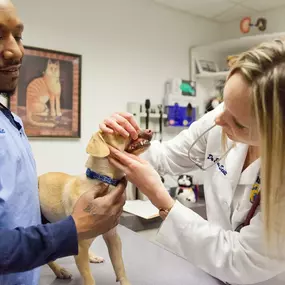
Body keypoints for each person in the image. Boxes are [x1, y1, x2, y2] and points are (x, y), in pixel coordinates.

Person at [100, 39, 285, 285]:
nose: (218, 121)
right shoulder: (220, 120)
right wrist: (124, 140)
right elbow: (165, 158)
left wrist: (160, 197)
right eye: (223, 105)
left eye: (238, 123)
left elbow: (241, 260)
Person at [0, 1, 127, 284]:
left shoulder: (13, 124)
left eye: (18, 36)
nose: (15, 50)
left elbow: (20, 214)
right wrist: (70, 230)